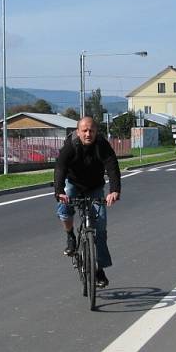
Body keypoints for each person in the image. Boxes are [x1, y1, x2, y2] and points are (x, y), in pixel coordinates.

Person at [54, 116, 121, 288]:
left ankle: (99, 270)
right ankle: (70, 236)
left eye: (91, 130)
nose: (88, 133)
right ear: (78, 132)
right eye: (84, 130)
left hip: (95, 187)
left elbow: (112, 165)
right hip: (74, 184)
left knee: (100, 228)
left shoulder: (101, 144)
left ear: (96, 131)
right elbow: (60, 167)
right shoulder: (71, 145)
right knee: (64, 207)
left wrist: (114, 190)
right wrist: (59, 191)